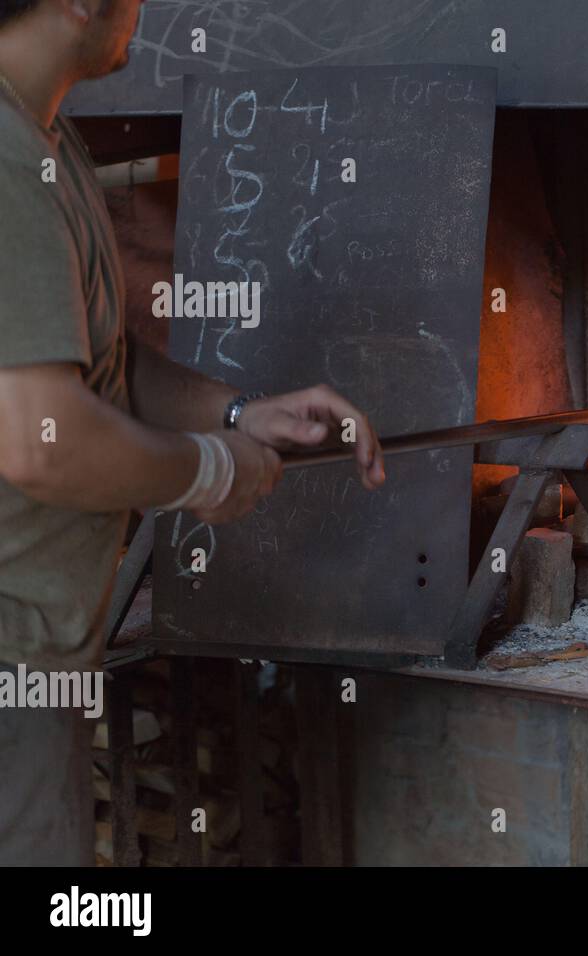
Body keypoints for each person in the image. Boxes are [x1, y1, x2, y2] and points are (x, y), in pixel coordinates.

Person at [0, 0, 385, 864]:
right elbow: (39, 438)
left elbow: (99, 367)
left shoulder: (42, 139)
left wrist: (239, 413)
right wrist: (207, 473)